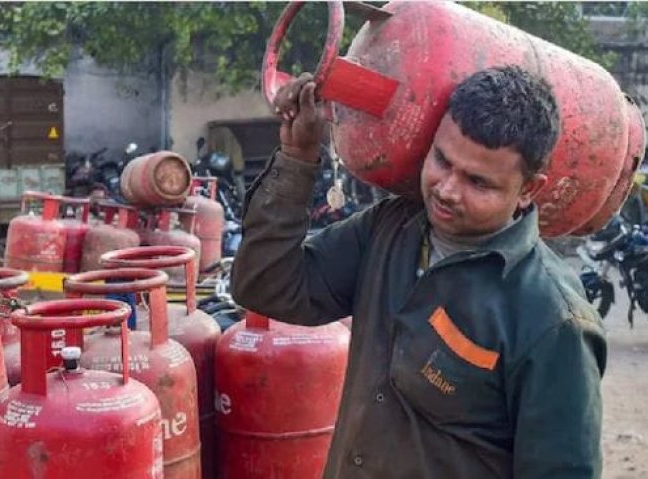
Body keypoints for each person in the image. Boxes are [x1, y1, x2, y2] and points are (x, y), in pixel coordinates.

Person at [231, 65, 606, 478]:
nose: (446, 189)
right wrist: (297, 157)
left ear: (529, 190)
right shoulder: (390, 230)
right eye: (442, 160)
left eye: (478, 183)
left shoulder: (552, 321)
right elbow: (265, 286)